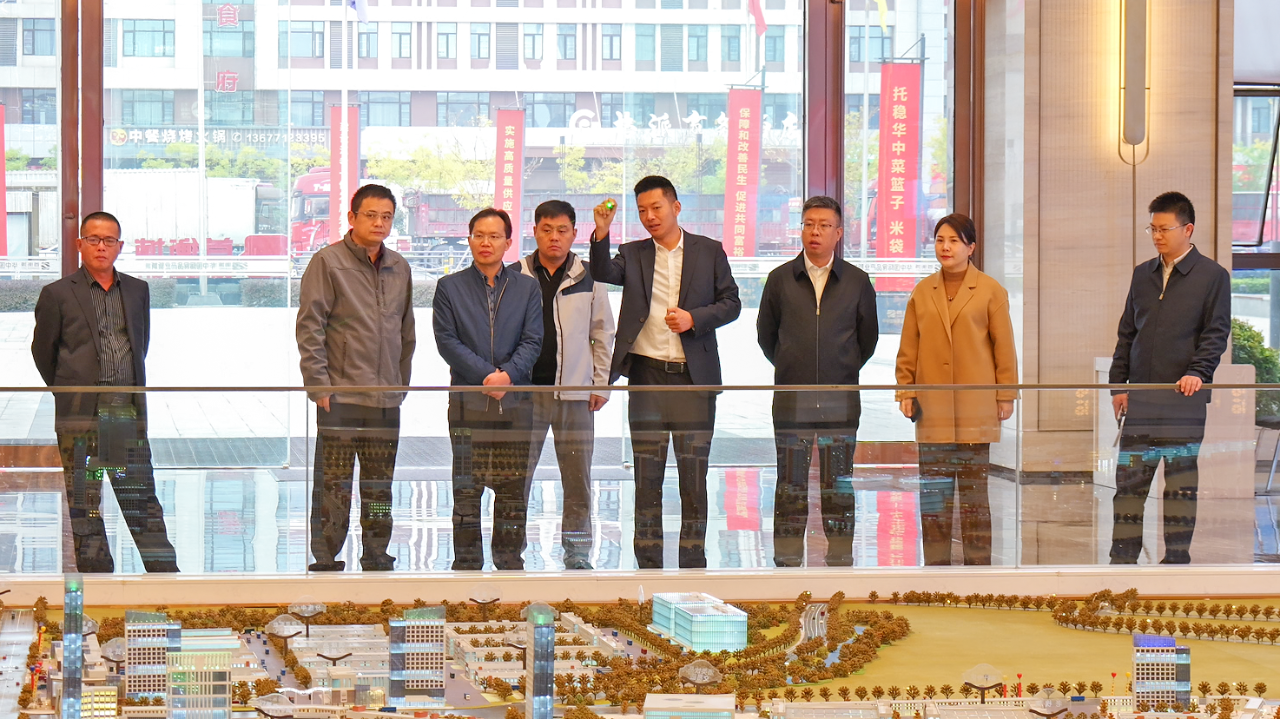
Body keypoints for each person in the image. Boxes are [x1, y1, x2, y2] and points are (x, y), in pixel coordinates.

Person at [590, 175, 741, 569]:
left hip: (693, 379)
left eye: (656, 208)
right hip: (647, 378)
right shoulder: (634, 253)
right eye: (642, 211)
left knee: (694, 477)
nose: (650, 217)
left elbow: (732, 303)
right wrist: (601, 232)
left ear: (676, 207)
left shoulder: (709, 251)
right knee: (647, 477)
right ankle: (648, 562)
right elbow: (602, 272)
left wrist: (695, 319)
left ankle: (693, 560)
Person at [31, 211, 178, 573]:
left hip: (124, 415)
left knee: (142, 501)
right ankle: (98, 584)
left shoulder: (137, 290)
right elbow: (43, 353)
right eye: (93, 239)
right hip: (80, 419)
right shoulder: (57, 294)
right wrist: (69, 392)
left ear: (119, 246)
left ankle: (166, 580)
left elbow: (140, 345)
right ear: (80, 244)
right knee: (86, 507)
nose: (101, 246)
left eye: (109, 240)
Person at [297, 183, 416, 572]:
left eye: (386, 217)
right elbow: (310, 326)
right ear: (352, 217)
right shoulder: (328, 262)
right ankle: (326, 555)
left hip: (385, 399)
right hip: (341, 396)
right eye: (371, 215)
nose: (379, 223)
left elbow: (406, 330)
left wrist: (400, 383)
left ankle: (377, 552)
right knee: (334, 484)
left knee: (380, 485)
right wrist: (318, 385)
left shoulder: (399, 267)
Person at [1109, 191, 1230, 565]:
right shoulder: (1142, 274)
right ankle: (1121, 561)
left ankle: (1177, 560)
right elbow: (1127, 333)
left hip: (1184, 401)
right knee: (1128, 487)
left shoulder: (1212, 276)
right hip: (1142, 401)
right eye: (1153, 229)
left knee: (1180, 486)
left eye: (1164, 229)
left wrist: (1198, 372)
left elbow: (1216, 333)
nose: (1157, 236)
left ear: (1187, 229)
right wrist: (1118, 385)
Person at [757, 196, 879, 568]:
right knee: (790, 483)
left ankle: (840, 557)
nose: (815, 232)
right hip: (792, 397)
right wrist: (793, 366)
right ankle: (787, 558)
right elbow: (766, 335)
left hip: (840, 399)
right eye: (809, 224)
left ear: (839, 233)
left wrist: (839, 369)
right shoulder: (780, 279)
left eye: (824, 225)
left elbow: (868, 339)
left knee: (838, 482)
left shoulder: (857, 281)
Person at [895, 213, 1018, 566]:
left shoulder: (991, 290)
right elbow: (908, 347)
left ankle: (978, 569)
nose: (945, 247)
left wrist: (1006, 394)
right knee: (934, 496)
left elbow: (1004, 348)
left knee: (974, 496)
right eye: (940, 240)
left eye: (953, 241)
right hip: (932, 408)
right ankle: (936, 569)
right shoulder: (922, 291)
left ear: (971, 247)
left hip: (975, 407)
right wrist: (905, 391)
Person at [434, 207, 543, 571]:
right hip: (468, 405)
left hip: (516, 405)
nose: (486, 242)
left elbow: (533, 340)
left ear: (508, 243)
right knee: (467, 490)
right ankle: (466, 565)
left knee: (512, 492)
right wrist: (487, 376)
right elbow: (447, 342)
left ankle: (509, 563)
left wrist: (507, 376)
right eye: (479, 235)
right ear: (469, 240)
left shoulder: (527, 288)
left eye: (494, 236)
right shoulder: (449, 287)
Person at [518, 200, 616, 570]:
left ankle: (577, 553)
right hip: (525, 396)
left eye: (562, 230)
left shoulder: (590, 276)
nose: (554, 237)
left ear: (575, 233)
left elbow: (602, 333)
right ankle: (510, 550)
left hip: (575, 394)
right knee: (517, 479)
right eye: (546, 230)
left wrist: (601, 384)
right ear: (535, 232)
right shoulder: (517, 274)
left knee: (577, 481)